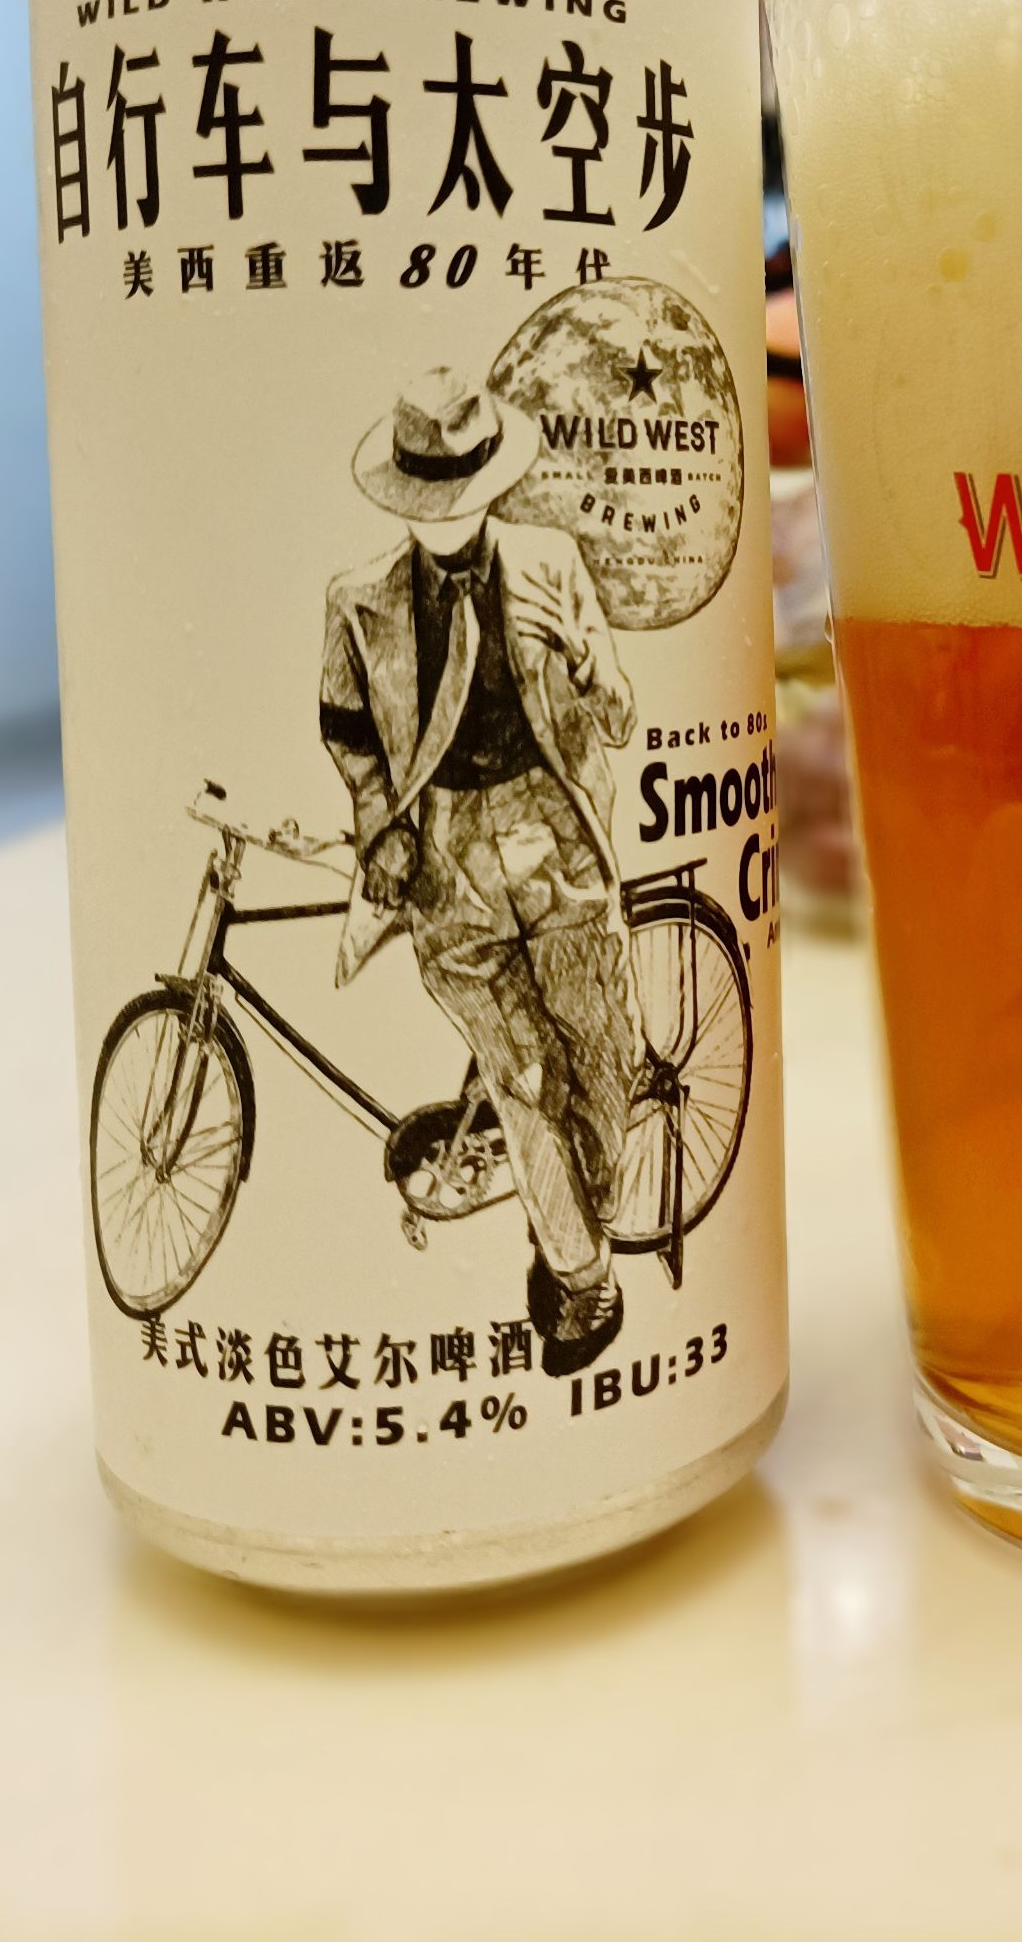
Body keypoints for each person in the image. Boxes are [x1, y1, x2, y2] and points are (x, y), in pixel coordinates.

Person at [320, 367, 642, 1373]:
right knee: (521, 1076)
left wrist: (584, 661)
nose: (451, 513)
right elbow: (348, 733)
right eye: (432, 496)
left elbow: (619, 717)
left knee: (607, 1055)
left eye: (465, 490)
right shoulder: (360, 602)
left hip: (557, 833)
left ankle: (580, 1207)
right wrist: (381, 830)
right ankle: (582, 1273)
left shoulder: (551, 564)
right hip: (447, 856)